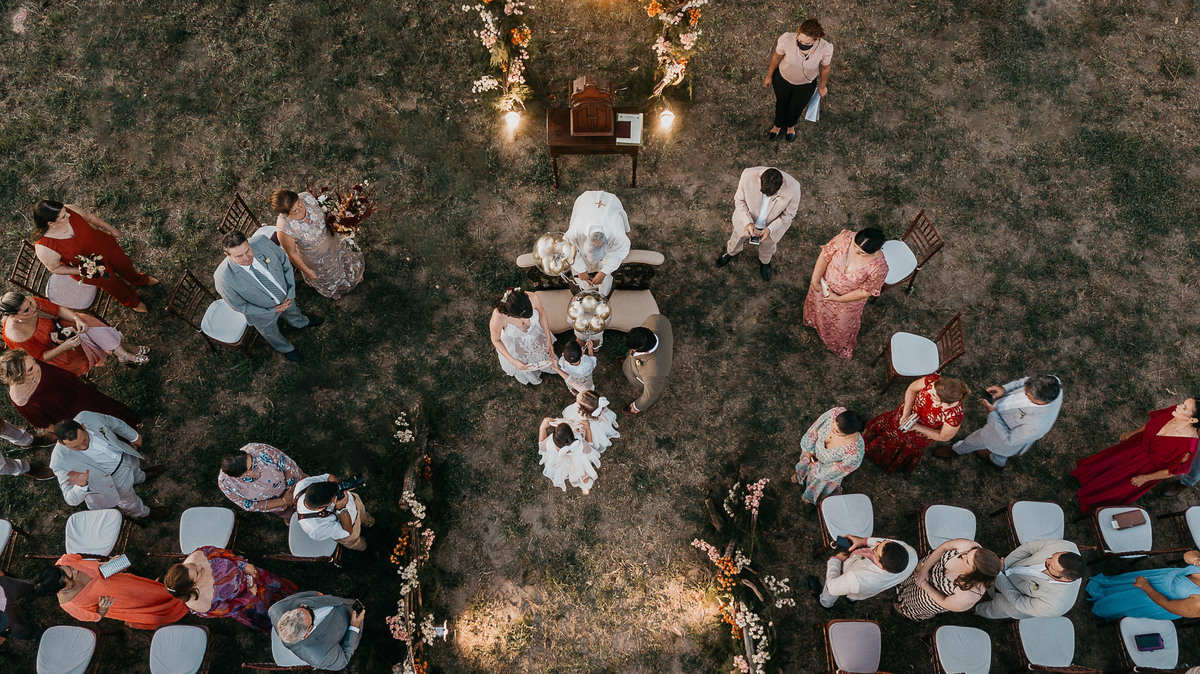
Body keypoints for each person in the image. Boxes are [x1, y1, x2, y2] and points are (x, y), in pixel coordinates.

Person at [214, 230, 324, 363]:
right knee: (270, 333)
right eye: (239, 256)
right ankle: (285, 348)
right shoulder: (223, 279)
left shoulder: (262, 242)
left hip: (285, 295)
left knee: (293, 310)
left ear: (248, 243)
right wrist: (271, 311)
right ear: (228, 255)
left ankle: (300, 322)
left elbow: (284, 262)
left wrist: (289, 291)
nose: (246, 258)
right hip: (261, 314)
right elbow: (240, 306)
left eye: (247, 250)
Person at [1072, 399, 1199, 513]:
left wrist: (1145, 478)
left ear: (1193, 420)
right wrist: (1131, 434)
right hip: (1135, 446)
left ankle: (1091, 500)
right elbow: (1152, 423)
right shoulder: (1174, 411)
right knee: (1107, 462)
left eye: (1184, 408)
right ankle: (1085, 477)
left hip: (1143, 466)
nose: (1178, 406)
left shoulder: (1188, 448)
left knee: (1115, 483)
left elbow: (1171, 472)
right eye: (1183, 403)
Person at [31, 200, 158, 313]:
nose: (69, 214)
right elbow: (55, 268)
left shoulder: (69, 210)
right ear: (50, 223)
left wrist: (111, 229)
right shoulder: (44, 247)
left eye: (66, 211)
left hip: (105, 245)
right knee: (113, 286)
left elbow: (90, 218)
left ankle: (139, 280)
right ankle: (133, 302)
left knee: (125, 264)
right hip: (91, 267)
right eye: (64, 216)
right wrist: (82, 271)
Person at [48, 415, 170, 520]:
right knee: (129, 501)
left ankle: (141, 477)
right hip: (113, 480)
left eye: (85, 439)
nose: (84, 446)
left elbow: (114, 423)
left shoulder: (88, 416)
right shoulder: (59, 462)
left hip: (125, 456)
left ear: (83, 427)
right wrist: (81, 486)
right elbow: (70, 499)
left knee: (136, 469)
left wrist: (133, 437)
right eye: (75, 447)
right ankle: (143, 513)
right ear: (61, 443)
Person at [1, 291, 148, 374]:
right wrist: (64, 346)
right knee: (89, 334)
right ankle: (123, 351)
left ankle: (122, 353)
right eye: (26, 310)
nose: (33, 309)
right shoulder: (17, 337)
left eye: (30, 304)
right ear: (13, 316)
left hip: (62, 326)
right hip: (59, 352)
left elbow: (57, 310)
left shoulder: (28, 302)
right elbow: (42, 357)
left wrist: (76, 319)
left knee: (88, 327)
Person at [937, 375, 1063, 468]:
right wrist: (1004, 389)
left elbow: (1009, 440)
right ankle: (997, 462)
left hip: (999, 436)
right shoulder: (1052, 381)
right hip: (1009, 430)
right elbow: (1023, 382)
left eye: (1027, 392)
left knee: (975, 441)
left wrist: (992, 413)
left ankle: (956, 450)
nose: (1023, 389)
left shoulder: (1037, 424)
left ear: (1040, 401)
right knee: (1001, 453)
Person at [163, 546, 298, 632]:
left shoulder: (197, 556)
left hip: (252, 575)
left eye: (192, 565)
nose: (199, 567)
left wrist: (243, 565)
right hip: (247, 601)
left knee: (277, 586)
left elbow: (224, 554)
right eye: (197, 573)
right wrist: (249, 595)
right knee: (270, 614)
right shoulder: (202, 604)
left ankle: (295, 597)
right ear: (192, 586)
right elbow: (229, 609)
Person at [35, 555, 188, 630]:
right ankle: (175, 611)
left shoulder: (64, 561)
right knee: (151, 612)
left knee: (155, 592)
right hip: (121, 603)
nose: (75, 571)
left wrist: (109, 563)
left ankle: (179, 596)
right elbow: (97, 617)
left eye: (70, 569)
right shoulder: (70, 604)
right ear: (62, 588)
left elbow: (89, 563)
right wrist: (103, 607)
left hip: (122, 581)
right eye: (71, 576)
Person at [0, 349, 141, 429]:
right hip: (74, 414)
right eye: (30, 369)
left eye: (32, 360)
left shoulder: (30, 363)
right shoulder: (21, 399)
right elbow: (45, 423)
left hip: (79, 391)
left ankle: (130, 421)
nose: (36, 367)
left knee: (106, 406)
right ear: (18, 377)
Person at [802, 228, 888, 359]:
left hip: (847, 303)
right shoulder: (845, 237)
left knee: (841, 324)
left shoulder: (879, 268)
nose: (855, 251)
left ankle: (836, 342)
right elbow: (826, 255)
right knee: (818, 308)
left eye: (862, 253)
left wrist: (838, 299)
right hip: (823, 287)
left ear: (876, 251)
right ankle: (814, 322)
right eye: (854, 245)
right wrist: (815, 280)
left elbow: (865, 291)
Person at [269, 189, 364, 300]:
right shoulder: (284, 230)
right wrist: (307, 271)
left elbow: (325, 210)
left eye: (299, 202)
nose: (301, 208)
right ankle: (335, 290)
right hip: (317, 258)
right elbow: (292, 253)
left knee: (343, 259)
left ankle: (353, 275)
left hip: (332, 239)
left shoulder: (305, 196)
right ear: (285, 214)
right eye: (294, 211)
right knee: (330, 275)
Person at [865, 375, 968, 474]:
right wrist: (906, 414)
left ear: (942, 403)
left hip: (916, 437)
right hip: (901, 416)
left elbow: (943, 436)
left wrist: (916, 427)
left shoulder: (954, 416)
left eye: (933, 395)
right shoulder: (933, 381)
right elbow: (912, 389)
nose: (929, 390)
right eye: (932, 387)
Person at [716, 167, 802, 281]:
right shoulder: (747, 175)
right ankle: (731, 252)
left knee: (768, 246)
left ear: (781, 185)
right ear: (760, 178)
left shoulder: (794, 188)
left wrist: (770, 229)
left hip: (772, 227)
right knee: (736, 237)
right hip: (745, 220)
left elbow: (789, 215)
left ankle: (765, 261)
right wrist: (748, 222)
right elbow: (740, 201)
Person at [894, 538, 1001, 621]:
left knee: (912, 604)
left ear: (977, 575)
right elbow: (944, 547)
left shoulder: (969, 595)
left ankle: (904, 609)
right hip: (929, 567)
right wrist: (924, 569)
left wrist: (924, 585)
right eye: (969, 553)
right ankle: (900, 582)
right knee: (906, 577)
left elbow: (944, 602)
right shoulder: (971, 547)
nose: (963, 556)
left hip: (928, 595)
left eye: (967, 561)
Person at [975, 539, 1085, 619]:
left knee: (993, 609)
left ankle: (977, 610)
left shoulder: (1056, 605)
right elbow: (1028, 548)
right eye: (1052, 556)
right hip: (1007, 569)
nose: (1046, 559)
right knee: (987, 586)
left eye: (1049, 565)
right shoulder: (1067, 545)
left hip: (1010, 603)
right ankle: (987, 589)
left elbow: (1018, 601)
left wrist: (999, 574)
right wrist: (1003, 566)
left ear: (1065, 579)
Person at [764, 18, 832, 142]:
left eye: (806, 43)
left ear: (816, 40)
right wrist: (769, 75)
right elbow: (776, 57)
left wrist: (822, 86)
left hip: (805, 85)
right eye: (799, 40)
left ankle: (790, 126)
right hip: (782, 79)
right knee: (781, 103)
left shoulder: (824, 48)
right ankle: (778, 125)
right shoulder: (787, 39)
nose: (801, 44)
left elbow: (825, 68)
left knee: (796, 107)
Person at [808, 534, 917, 608]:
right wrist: (863, 541)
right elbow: (890, 543)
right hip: (867, 589)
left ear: (882, 566)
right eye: (882, 542)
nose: (877, 543)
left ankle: (825, 603)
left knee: (833, 591)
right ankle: (851, 599)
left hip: (855, 581)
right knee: (856, 594)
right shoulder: (911, 554)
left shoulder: (859, 578)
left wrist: (836, 561)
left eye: (876, 548)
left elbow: (832, 587)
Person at [1086, 551, 1200, 621]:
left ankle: (1103, 607)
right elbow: (1188, 555)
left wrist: (1146, 587)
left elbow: (1167, 605)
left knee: (1125, 602)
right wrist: (1196, 559)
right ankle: (1104, 589)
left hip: (1154, 599)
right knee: (1125, 585)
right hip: (1159, 577)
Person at [270, 591, 364, 671]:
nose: (309, 607)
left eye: (303, 607)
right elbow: (344, 660)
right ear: (306, 634)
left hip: (335, 602)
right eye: (310, 614)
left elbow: (297, 597)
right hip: (347, 620)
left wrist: (315, 594)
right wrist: (354, 626)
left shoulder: (276, 609)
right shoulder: (320, 657)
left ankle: (351, 600)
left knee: (348, 601)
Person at [563, 191, 631, 296]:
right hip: (587, 201)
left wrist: (604, 272)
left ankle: (603, 292)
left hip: (609, 204)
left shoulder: (617, 236)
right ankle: (586, 288)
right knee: (581, 267)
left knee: (604, 270)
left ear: (607, 246)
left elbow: (618, 253)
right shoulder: (576, 232)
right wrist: (581, 270)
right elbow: (568, 248)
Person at [792, 407, 866, 504]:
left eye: (836, 431)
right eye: (833, 423)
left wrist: (815, 466)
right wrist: (808, 450)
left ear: (848, 434)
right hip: (813, 453)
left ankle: (810, 492)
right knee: (803, 465)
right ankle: (801, 475)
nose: (831, 429)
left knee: (817, 481)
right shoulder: (834, 413)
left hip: (824, 469)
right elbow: (815, 429)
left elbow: (834, 471)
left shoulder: (855, 454)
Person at [218, 443, 309, 522]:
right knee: (291, 515)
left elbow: (288, 465)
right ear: (239, 476)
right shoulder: (226, 485)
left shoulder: (258, 449)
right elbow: (249, 505)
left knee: (313, 496)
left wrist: (292, 490)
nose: (255, 465)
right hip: (278, 505)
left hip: (296, 485)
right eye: (250, 468)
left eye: (252, 460)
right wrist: (283, 501)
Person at [489, 287, 562, 385]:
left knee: (545, 356)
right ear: (511, 313)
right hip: (516, 342)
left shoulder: (533, 298)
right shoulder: (498, 317)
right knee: (524, 364)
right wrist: (513, 361)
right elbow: (496, 340)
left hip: (535, 334)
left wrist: (548, 338)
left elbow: (542, 314)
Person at [293, 474, 374, 552]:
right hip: (351, 529)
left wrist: (339, 487)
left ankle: (369, 522)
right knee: (355, 542)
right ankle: (366, 547)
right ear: (320, 509)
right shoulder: (315, 528)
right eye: (333, 498)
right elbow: (347, 531)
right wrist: (341, 509)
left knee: (364, 516)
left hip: (354, 502)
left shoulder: (302, 485)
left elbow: (329, 477)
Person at [620, 318, 673, 415]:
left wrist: (637, 406)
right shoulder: (658, 320)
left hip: (644, 377)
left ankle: (651, 405)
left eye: (634, 349)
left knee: (654, 394)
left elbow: (650, 395)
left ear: (647, 351)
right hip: (638, 362)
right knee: (629, 360)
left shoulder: (654, 372)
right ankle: (628, 364)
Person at [538, 417, 599, 495]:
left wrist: (542, 428)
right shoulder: (580, 443)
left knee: (565, 470)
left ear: (554, 438)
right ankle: (585, 483)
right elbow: (589, 448)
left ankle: (567, 476)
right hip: (577, 464)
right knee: (581, 472)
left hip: (560, 464)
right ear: (572, 435)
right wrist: (587, 429)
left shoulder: (549, 443)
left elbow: (541, 447)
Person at [0, 570, 43, 644]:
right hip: (3, 621)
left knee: (35, 587)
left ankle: (56, 585)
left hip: (4, 588)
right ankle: (48, 635)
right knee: (27, 632)